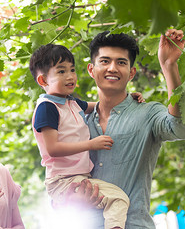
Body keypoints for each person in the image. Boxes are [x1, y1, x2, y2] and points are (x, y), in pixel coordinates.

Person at [86, 29, 185, 228]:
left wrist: (169, 66)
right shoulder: (77, 121)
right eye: (104, 61)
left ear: (131, 73)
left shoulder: (148, 113)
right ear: (91, 70)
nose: (112, 68)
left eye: (121, 62)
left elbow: (183, 128)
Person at [29, 44, 144, 229]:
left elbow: (101, 105)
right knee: (118, 199)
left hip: (78, 178)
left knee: (109, 203)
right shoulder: (47, 107)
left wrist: (129, 99)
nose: (70, 76)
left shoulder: (72, 102)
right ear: (43, 80)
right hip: (63, 181)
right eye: (61, 71)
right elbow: (52, 149)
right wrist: (90, 144)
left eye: (72, 70)